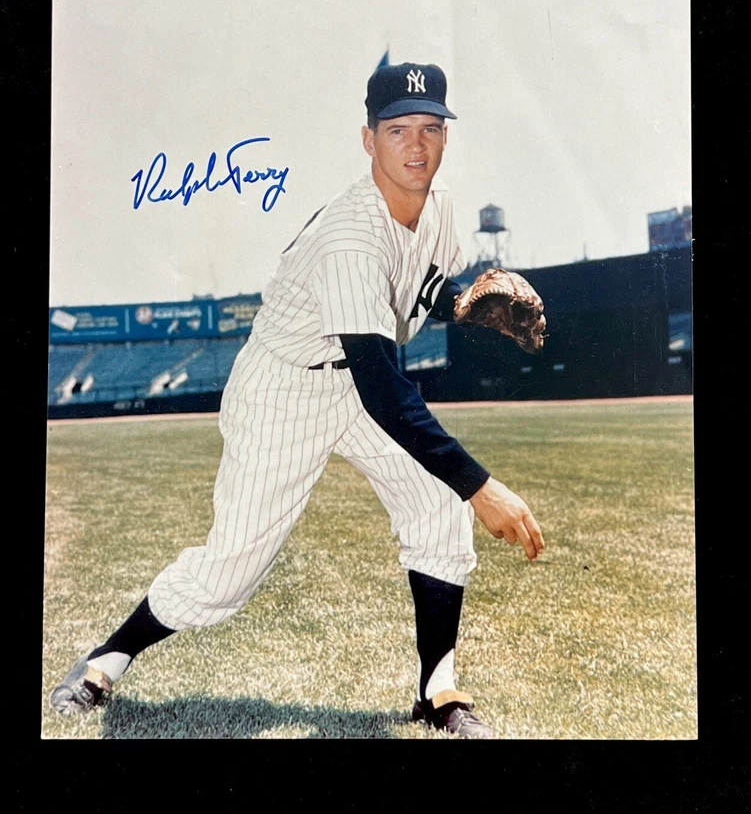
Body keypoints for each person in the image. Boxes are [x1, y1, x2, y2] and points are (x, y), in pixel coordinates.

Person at [50, 61, 545, 738]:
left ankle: (438, 690)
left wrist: (458, 306)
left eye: (430, 127)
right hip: (285, 387)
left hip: (353, 375)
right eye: (397, 129)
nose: (416, 145)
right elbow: (383, 388)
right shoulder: (347, 237)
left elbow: (416, 286)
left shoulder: (443, 208)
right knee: (227, 573)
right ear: (368, 140)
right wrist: (481, 487)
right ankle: (106, 659)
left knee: (434, 506)